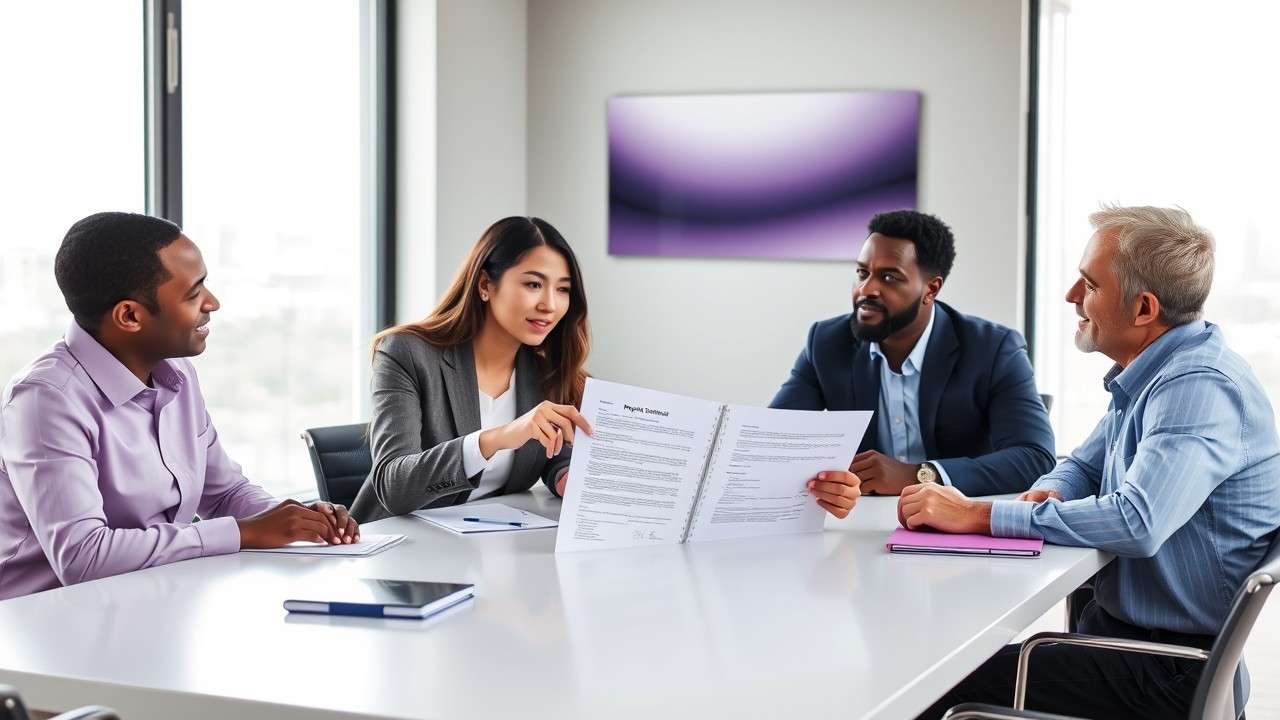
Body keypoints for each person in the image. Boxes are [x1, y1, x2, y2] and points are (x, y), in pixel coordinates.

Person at [903, 205, 1280, 719]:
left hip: (1168, 667)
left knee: (931, 684)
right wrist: (1050, 491)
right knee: (946, 662)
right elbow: (1081, 465)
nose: (1071, 297)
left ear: (1144, 309)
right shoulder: (1155, 371)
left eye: (1089, 284)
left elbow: (1137, 521)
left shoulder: (1197, 385)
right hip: (1131, 641)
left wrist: (979, 514)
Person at [0, 212, 359, 601]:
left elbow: (224, 494)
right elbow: (84, 557)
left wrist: (298, 522)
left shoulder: (177, 374)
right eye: (194, 293)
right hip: (40, 623)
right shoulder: (47, 399)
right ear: (130, 316)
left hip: (149, 602)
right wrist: (245, 532)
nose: (213, 302)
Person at [770, 209, 1055, 496]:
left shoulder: (993, 350)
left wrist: (920, 475)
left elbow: (1035, 458)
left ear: (931, 289)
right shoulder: (826, 343)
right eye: (862, 273)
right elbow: (771, 443)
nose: (866, 290)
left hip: (956, 522)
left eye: (890, 278)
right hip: (859, 521)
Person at [349, 217, 595, 523]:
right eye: (533, 284)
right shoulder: (406, 353)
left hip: (486, 549)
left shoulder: (546, 372)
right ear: (485, 285)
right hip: (398, 546)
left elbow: (549, 453)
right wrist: (499, 438)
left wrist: (563, 474)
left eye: (562, 289)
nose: (550, 304)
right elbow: (393, 485)